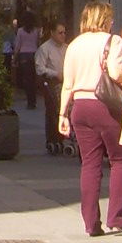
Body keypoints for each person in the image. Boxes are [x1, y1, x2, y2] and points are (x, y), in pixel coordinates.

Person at [58, 0, 122, 236]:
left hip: (80, 106)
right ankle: (117, 218)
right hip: (105, 105)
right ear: (104, 20)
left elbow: (67, 84)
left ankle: (91, 223)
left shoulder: (74, 45)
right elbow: (114, 72)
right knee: (120, 160)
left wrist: (62, 114)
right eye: (110, 19)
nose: (112, 22)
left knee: (90, 164)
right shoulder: (113, 41)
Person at [35, 21, 68, 152]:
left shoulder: (67, 48)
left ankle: (64, 137)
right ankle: (53, 139)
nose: (63, 35)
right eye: (60, 33)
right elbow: (39, 68)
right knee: (52, 111)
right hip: (51, 82)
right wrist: (55, 74)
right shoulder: (45, 48)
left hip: (66, 82)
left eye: (64, 32)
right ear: (52, 33)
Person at [13, 13, 39, 109]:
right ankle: (34, 100)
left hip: (23, 55)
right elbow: (37, 43)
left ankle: (29, 101)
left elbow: (17, 46)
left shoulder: (20, 31)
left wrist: (15, 58)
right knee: (33, 79)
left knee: (27, 79)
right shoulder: (36, 31)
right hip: (34, 54)